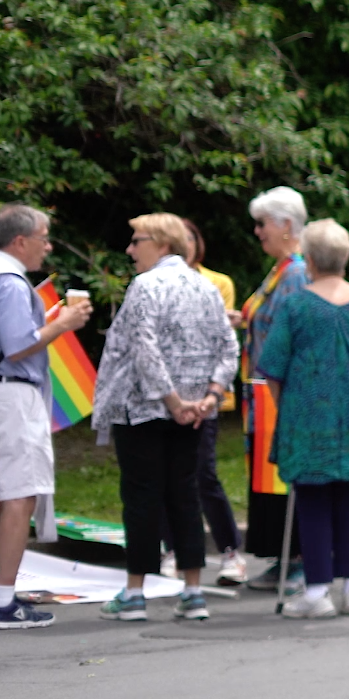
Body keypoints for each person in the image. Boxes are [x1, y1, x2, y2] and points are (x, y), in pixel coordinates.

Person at [91, 214, 238, 622]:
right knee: (184, 496)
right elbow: (229, 346)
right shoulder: (206, 287)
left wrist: (172, 400)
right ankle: (193, 592)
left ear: (161, 243)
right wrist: (209, 396)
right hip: (193, 410)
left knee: (141, 497)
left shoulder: (145, 286)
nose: (130, 249)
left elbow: (144, 348)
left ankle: (135, 593)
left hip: (143, 409)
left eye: (137, 240)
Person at [258, 218, 349, 619]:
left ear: (311, 260)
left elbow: (273, 367)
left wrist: (287, 409)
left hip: (308, 420)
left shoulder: (296, 305)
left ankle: (317, 590)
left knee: (313, 502)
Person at [0, 204, 95, 631]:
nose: (48, 245)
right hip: (14, 396)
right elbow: (17, 346)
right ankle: (3, 599)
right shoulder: (13, 283)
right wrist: (64, 323)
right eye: (43, 236)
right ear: (20, 241)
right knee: (20, 494)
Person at [238, 186, 313, 592]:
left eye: (263, 223)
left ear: (286, 225)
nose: (257, 231)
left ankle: (297, 558)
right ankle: (284, 558)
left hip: (279, 392)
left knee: (283, 476)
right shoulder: (280, 269)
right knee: (271, 478)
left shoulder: (296, 273)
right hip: (264, 392)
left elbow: (294, 332)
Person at [178, 218, 247, 586]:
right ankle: (172, 551)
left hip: (206, 395)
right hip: (167, 397)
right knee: (167, 477)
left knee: (203, 474)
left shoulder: (217, 282)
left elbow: (215, 332)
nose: (184, 244)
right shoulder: (152, 284)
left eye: (191, 237)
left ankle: (231, 551)